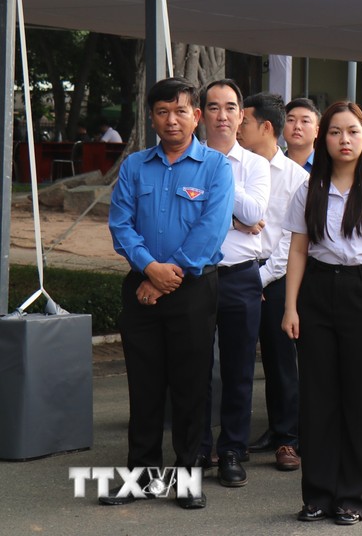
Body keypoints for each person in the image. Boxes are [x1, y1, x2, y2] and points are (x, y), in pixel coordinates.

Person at [104, 76, 234, 509]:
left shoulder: (216, 167)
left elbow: (211, 230)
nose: (171, 119)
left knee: (190, 385)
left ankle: (186, 479)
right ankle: (141, 476)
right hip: (141, 287)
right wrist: (149, 268)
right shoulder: (136, 166)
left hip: (193, 289)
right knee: (144, 386)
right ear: (152, 116)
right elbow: (120, 223)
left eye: (180, 111)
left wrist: (164, 278)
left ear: (196, 115)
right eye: (162, 111)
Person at [281, 101, 362, 524]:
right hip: (316, 292)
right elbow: (298, 250)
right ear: (324, 138)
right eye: (336, 132)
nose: (345, 140)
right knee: (318, 399)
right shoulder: (308, 190)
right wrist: (290, 307)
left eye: (353, 131)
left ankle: (355, 495)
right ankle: (317, 494)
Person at [199, 79, 271, 488]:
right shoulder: (188, 160)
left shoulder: (257, 164)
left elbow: (255, 209)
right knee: (196, 367)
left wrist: (218, 190)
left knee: (239, 369)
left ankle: (232, 450)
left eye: (230, 107)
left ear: (242, 115)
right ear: (202, 115)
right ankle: (197, 447)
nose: (222, 115)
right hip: (196, 275)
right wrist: (237, 219)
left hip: (242, 276)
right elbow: (189, 218)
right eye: (213, 107)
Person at [237, 93, 309, 471]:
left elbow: (292, 241)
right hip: (236, 270)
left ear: (266, 127)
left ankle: (287, 438)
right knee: (239, 359)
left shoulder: (297, 178)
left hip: (276, 276)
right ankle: (239, 437)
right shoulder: (234, 168)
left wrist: (261, 279)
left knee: (282, 360)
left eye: (243, 121)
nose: (236, 126)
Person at [284, 98, 320, 172]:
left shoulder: (327, 168)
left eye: (305, 121)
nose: (297, 126)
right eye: (291, 120)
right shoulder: (269, 167)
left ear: (317, 131)